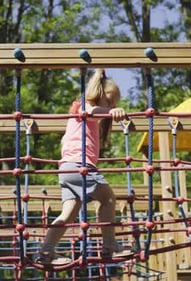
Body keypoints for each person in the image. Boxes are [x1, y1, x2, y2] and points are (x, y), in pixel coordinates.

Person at [36, 69, 132, 265]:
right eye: (110, 100)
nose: (112, 105)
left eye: (115, 103)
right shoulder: (85, 107)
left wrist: (109, 110)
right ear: (98, 93)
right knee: (108, 198)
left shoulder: (79, 118)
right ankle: (110, 245)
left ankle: (46, 251)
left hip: (66, 170)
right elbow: (93, 110)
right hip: (80, 167)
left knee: (68, 213)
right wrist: (111, 111)